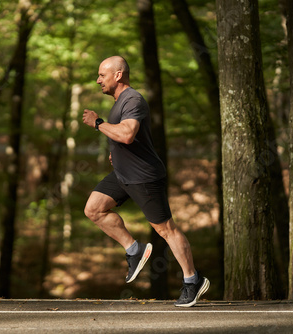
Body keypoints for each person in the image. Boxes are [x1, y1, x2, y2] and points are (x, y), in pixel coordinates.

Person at [82, 56, 209, 307]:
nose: (98, 80)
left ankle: (193, 280)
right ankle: (134, 250)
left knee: (166, 229)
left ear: (118, 75)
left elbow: (128, 134)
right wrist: (115, 151)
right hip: (122, 174)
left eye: (101, 75)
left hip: (144, 176)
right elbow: (125, 138)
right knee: (93, 209)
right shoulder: (119, 103)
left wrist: (98, 123)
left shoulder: (133, 99)